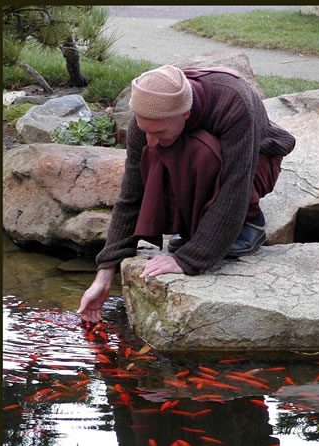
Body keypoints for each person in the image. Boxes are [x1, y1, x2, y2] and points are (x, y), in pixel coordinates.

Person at [78, 65, 295, 322]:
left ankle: (249, 223)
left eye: (157, 131)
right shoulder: (149, 117)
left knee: (199, 150)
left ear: (186, 113)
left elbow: (236, 185)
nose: (149, 139)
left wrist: (189, 259)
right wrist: (104, 275)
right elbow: (131, 193)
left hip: (254, 167)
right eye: (144, 130)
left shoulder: (233, 100)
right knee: (157, 154)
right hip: (208, 162)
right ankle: (198, 228)